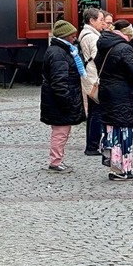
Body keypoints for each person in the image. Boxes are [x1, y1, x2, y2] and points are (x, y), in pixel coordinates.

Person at [95, 20, 133, 181]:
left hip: (106, 92)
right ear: (126, 33)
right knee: (124, 131)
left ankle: (114, 166)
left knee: (111, 130)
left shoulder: (103, 45)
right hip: (122, 94)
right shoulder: (124, 48)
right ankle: (124, 169)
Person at [40, 20, 86, 172]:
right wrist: (66, 102)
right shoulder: (59, 53)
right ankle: (55, 162)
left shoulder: (60, 50)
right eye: (72, 36)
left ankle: (57, 160)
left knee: (61, 132)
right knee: (60, 133)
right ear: (65, 36)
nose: (75, 38)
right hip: (59, 101)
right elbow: (60, 82)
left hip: (57, 99)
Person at [78, 8, 105, 156]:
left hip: (89, 76)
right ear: (92, 21)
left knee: (94, 111)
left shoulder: (85, 33)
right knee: (97, 112)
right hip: (94, 77)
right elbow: (98, 57)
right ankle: (92, 145)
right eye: (101, 20)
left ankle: (91, 145)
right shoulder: (93, 37)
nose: (103, 23)